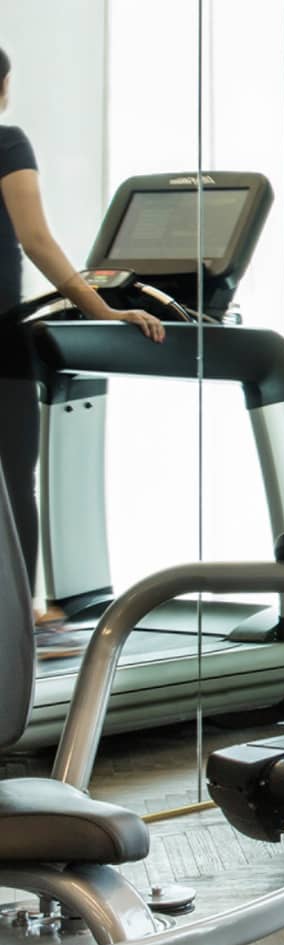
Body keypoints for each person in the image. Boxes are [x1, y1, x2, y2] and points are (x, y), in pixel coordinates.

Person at [0, 45, 164, 657]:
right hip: (0, 338)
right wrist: (105, 309)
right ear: (4, 86)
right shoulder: (8, 142)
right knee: (15, 478)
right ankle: (26, 622)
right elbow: (36, 238)